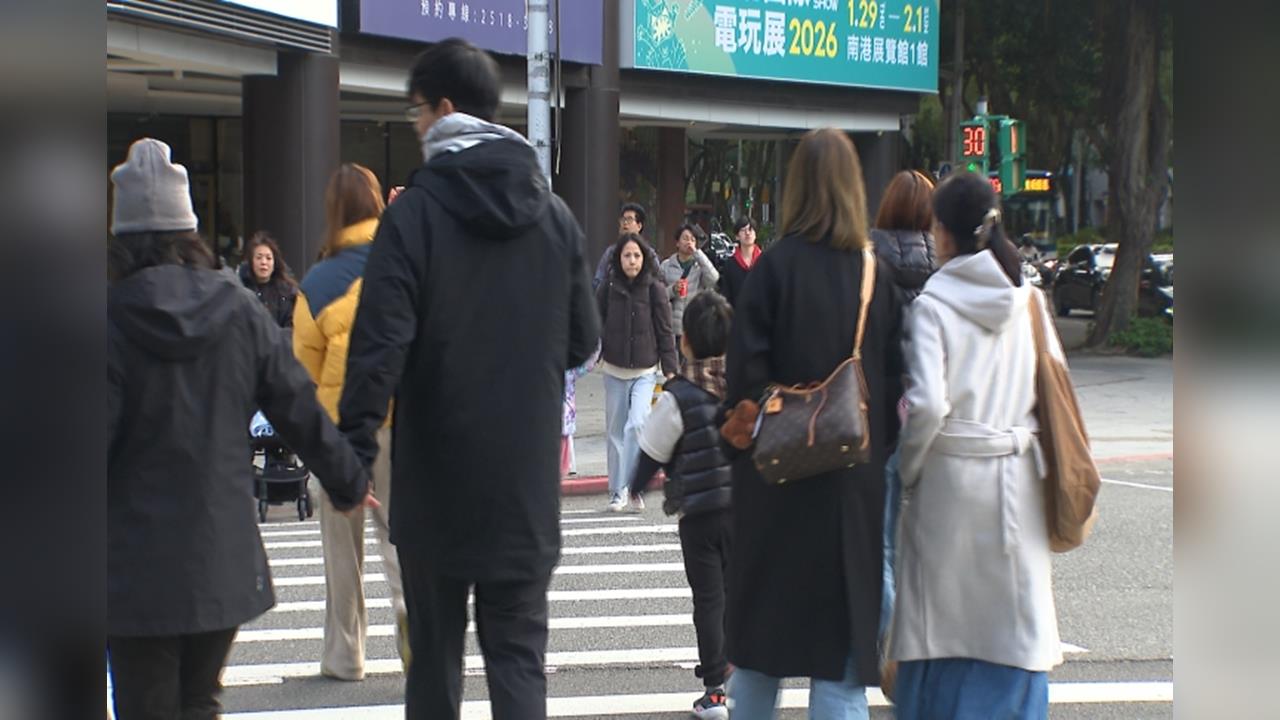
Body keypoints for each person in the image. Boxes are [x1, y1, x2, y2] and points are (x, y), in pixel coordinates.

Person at [335, 38, 600, 720]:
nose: (416, 125)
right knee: (517, 659)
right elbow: (584, 340)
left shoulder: (414, 216)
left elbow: (378, 346)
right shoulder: (554, 216)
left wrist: (353, 456)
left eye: (417, 111)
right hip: (523, 481)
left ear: (446, 109)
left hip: (437, 483)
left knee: (435, 664)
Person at [107, 138, 372, 720]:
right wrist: (348, 480)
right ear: (189, 231)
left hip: (129, 563)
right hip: (218, 554)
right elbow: (295, 402)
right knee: (201, 699)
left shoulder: (105, 318)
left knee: (143, 704)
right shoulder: (235, 307)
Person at [722, 128, 902, 719]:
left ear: (796, 188)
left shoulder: (770, 271)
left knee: (757, 659)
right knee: (840, 668)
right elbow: (897, 391)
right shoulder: (876, 278)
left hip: (774, 482)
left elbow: (742, 383)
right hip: (848, 493)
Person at [891, 171, 1062, 719]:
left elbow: (927, 408)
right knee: (1012, 633)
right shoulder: (1028, 300)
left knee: (942, 631)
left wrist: (910, 469)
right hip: (1018, 479)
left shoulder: (934, 306)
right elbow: (1052, 386)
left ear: (941, 231)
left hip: (952, 485)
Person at [292, 163, 408, 681]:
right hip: (400, 425)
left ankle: (345, 653)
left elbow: (301, 371)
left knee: (343, 550)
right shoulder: (404, 263)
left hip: (338, 433)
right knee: (398, 538)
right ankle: (412, 618)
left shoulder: (317, 281)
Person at [630, 290, 734, 720]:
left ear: (684, 339)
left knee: (708, 601)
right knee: (738, 596)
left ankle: (714, 694)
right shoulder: (745, 383)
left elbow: (653, 448)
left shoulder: (679, 394)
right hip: (744, 512)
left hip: (699, 519)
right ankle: (743, 676)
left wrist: (636, 484)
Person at [867, 168, 938, 659]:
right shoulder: (945, 262)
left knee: (883, 547)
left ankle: (884, 641)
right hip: (933, 419)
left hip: (882, 418)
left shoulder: (870, 260)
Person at [597, 232, 680, 512]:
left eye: (636, 255)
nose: (631, 260)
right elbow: (595, 321)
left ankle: (633, 485)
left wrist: (671, 370)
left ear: (643, 259)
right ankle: (617, 492)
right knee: (615, 433)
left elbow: (665, 330)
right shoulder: (608, 287)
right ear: (617, 259)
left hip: (646, 370)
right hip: (613, 369)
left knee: (636, 424)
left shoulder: (654, 288)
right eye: (626, 255)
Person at [660, 223, 720, 350]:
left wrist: (698, 253)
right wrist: (672, 290)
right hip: (672, 327)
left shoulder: (699, 266)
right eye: (685, 238)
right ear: (677, 243)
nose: (689, 242)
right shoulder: (666, 266)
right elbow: (658, 295)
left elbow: (714, 279)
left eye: (693, 239)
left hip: (694, 325)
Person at [593, 202, 661, 290]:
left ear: (639, 226)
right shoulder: (611, 252)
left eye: (629, 219)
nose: (625, 223)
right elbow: (597, 281)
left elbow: (659, 281)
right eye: (623, 219)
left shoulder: (649, 252)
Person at [238, 231, 298, 330]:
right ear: (251, 261)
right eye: (259, 257)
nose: (264, 262)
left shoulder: (287, 293)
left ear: (275, 262)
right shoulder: (240, 290)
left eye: (268, 258)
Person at [717, 216, 761, 308]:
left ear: (756, 235)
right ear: (737, 236)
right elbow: (726, 295)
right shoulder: (730, 264)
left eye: (751, 230)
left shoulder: (764, 261)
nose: (747, 233)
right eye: (743, 230)